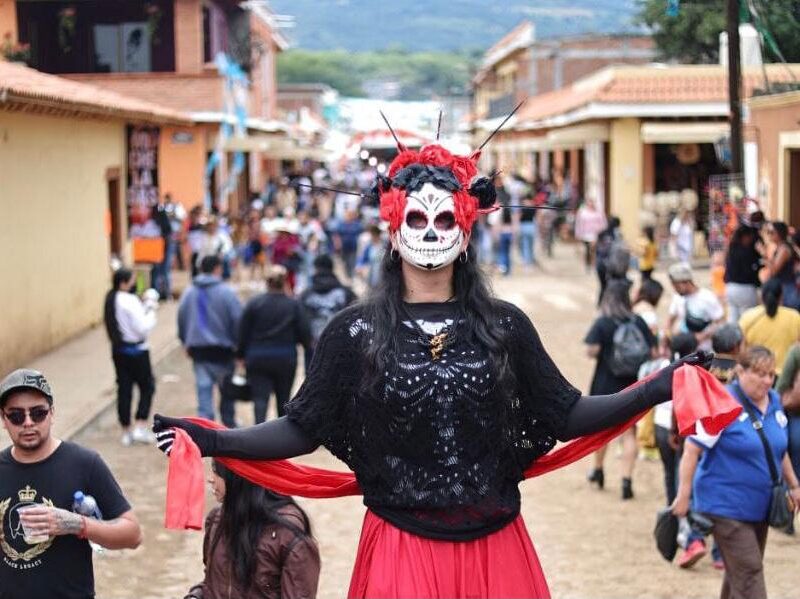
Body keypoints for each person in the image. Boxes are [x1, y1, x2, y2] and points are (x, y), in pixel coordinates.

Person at [154, 143, 708, 599]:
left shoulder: (505, 326)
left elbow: (567, 414)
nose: (431, 230)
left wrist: (659, 385)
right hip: (402, 548)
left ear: (466, 228)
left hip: (497, 550)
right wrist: (211, 439)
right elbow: (301, 427)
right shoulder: (354, 332)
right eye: (417, 216)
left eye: (444, 216)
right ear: (394, 227)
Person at [0, 369, 142, 599]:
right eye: (16, 416)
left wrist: (78, 524)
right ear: (4, 419)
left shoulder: (84, 463)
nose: (27, 423)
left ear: (52, 413)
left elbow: (133, 534)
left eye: (38, 413)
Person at [672, 346, 800, 599]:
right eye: (759, 373)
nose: (766, 380)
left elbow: (778, 448)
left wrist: (794, 485)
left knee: (738, 574)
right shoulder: (722, 403)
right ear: (740, 371)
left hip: (759, 506)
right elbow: (692, 449)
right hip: (724, 506)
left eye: (770, 374)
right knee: (750, 571)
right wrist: (683, 495)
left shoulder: (774, 401)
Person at [184, 460, 320, 599]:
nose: (211, 479)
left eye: (217, 472)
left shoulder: (289, 537)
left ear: (238, 477)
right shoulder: (217, 520)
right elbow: (213, 584)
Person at [584, 280, 657, 499]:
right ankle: (626, 480)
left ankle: (598, 469)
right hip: (631, 384)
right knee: (629, 433)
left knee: (602, 432)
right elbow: (652, 350)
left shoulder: (604, 322)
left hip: (605, 384)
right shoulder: (638, 321)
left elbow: (591, 350)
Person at [237, 266, 312, 425]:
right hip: (285, 358)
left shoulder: (254, 303)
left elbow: (243, 332)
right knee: (284, 400)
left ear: (267, 282)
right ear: (284, 282)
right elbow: (305, 334)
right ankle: (280, 439)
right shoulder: (294, 305)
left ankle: (258, 437)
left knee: (260, 399)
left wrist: (240, 355)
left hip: (257, 357)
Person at [178, 255, 242, 421]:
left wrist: (185, 341)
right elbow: (237, 320)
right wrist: (239, 345)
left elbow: (182, 318)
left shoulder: (190, 292)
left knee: (204, 391)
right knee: (227, 393)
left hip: (198, 350)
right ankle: (228, 429)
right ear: (217, 269)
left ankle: (206, 431)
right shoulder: (227, 292)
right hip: (223, 350)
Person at [103, 267, 158, 446]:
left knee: (124, 389)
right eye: (133, 280)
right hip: (138, 351)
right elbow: (142, 326)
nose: (136, 284)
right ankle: (140, 425)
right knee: (146, 387)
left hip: (119, 350)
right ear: (124, 283)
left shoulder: (112, 299)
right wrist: (150, 308)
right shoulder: (129, 300)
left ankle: (126, 429)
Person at [300, 254, 357, 366]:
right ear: (332, 269)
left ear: (315, 269)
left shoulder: (306, 295)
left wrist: (305, 341)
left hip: (313, 348)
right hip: (340, 348)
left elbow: (301, 322)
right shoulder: (346, 293)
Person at [738, 278, 800, 377]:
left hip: (756, 375)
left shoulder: (748, 317)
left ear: (761, 296)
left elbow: (741, 350)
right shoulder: (794, 317)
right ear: (781, 297)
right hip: (786, 376)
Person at [667, 262, 725, 352]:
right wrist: (668, 337)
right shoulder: (677, 297)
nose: (675, 289)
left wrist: (701, 337)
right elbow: (670, 320)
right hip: (683, 350)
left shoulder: (707, 297)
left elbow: (720, 322)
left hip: (704, 350)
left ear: (686, 282)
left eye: (676, 286)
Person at [724, 224, 762, 323]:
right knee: (747, 320)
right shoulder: (746, 252)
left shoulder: (732, 249)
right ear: (745, 236)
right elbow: (751, 271)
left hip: (730, 287)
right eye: (750, 237)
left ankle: (730, 338)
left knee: (733, 318)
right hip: (745, 288)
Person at [764, 221, 799, 309]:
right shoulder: (781, 247)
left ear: (779, 233)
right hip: (785, 287)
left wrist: (764, 255)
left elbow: (774, 271)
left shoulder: (784, 249)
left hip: (786, 288)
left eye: (771, 232)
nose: (769, 235)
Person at [573, 198, 607, 272]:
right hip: (586, 234)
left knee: (594, 249)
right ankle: (588, 264)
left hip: (596, 234)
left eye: (592, 202)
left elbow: (603, 223)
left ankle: (594, 264)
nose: (591, 204)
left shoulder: (598, 212)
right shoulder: (582, 212)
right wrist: (578, 234)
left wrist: (601, 232)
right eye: (589, 202)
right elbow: (579, 224)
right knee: (588, 250)